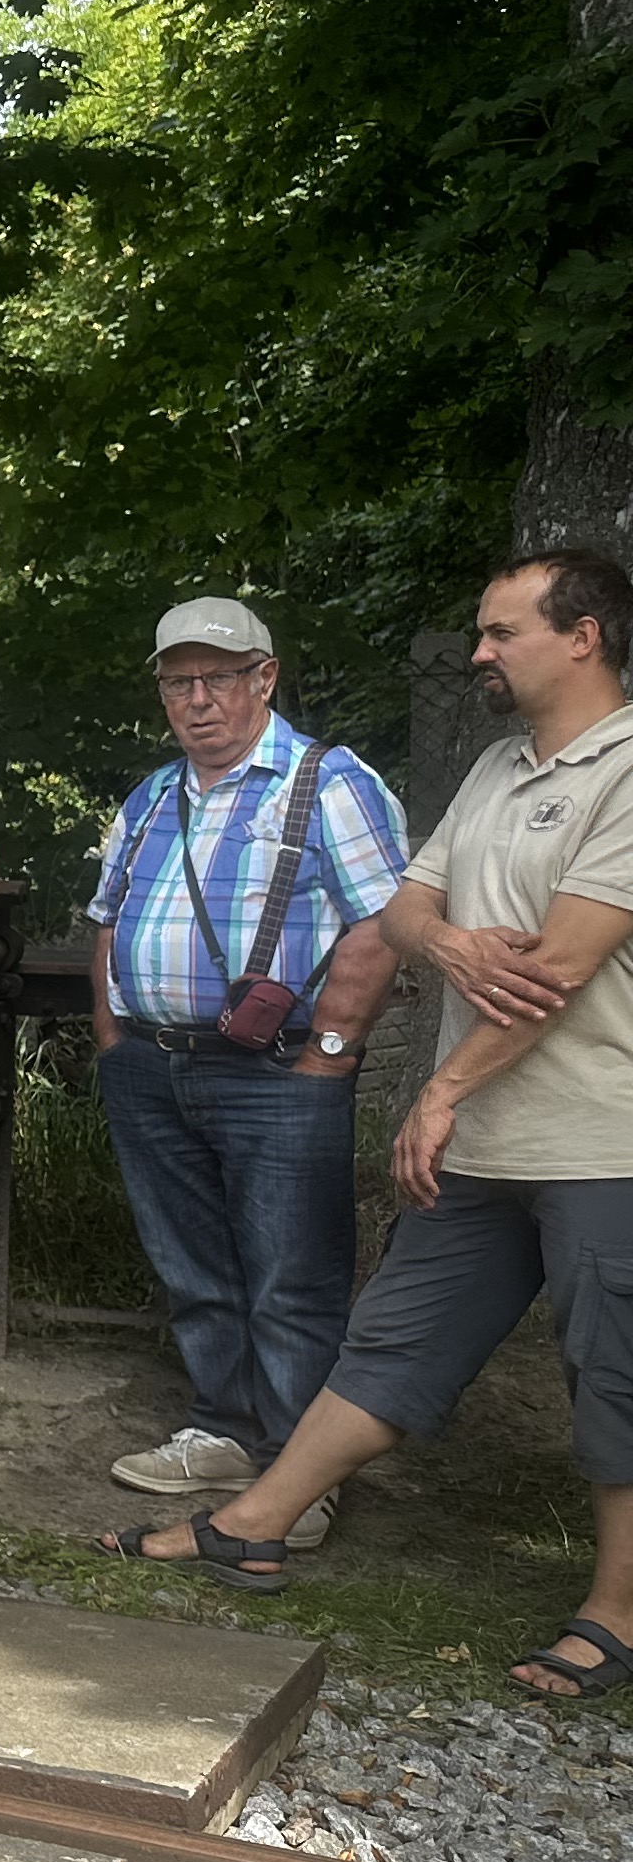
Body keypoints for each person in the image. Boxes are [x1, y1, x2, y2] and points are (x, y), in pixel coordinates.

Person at [99, 546, 633, 1703]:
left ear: (584, 635)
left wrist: (423, 1080)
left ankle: (616, 1608)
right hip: (483, 1134)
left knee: (613, 1369)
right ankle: (255, 1522)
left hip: (605, 1135)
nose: (480, 652)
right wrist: (442, 944)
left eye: (502, 633)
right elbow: (406, 904)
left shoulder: (628, 771)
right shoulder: (499, 766)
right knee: (391, 1341)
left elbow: (568, 968)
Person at [87, 598, 408, 1549]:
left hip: (279, 1069)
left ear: (264, 679)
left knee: (292, 1274)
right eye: (179, 682)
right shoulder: (152, 794)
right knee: (193, 1264)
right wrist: (113, 1039)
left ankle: (300, 1475)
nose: (198, 700)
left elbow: (383, 924)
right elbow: (106, 913)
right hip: (152, 1062)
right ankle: (225, 1429)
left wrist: (329, 1054)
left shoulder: (330, 782)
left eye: (219, 678)